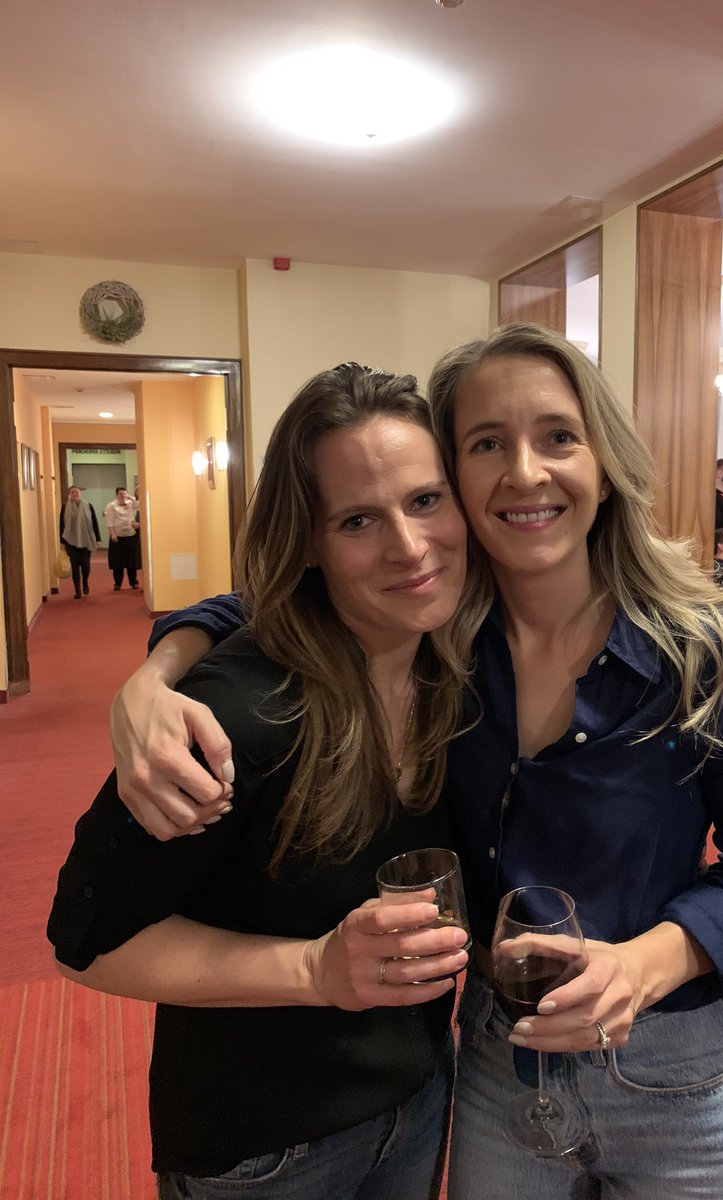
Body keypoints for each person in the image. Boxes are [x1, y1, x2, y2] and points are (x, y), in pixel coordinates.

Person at [107, 325, 723, 1199]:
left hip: (675, 1062)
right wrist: (155, 673)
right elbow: (282, 593)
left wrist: (645, 965)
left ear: (604, 462)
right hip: (494, 1056)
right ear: (454, 479)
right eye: (486, 444)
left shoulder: (716, 654)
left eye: (559, 436)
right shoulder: (437, 636)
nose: (525, 471)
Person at [48, 364, 474, 1199]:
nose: (409, 545)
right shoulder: (235, 716)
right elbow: (85, 945)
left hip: (421, 1097)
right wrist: (314, 970)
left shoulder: (455, 671)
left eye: (426, 500)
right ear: (310, 542)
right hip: (266, 1146)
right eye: (357, 520)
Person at [59, 485, 101, 599]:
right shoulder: (65, 507)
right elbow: (62, 525)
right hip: (70, 541)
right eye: (72, 492)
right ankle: (77, 590)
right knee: (74, 567)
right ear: (69, 494)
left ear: (80, 493)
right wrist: (62, 541)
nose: (74, 494)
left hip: (85, 539)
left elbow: (94, 522)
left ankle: (85, 582)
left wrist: (98, 539)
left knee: (85, 565)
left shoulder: (88, 505)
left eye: (76, 492)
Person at [105, 486, 140, 590]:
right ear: (116, 495)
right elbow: (109, 521)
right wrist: (112, 534)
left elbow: (139, 503)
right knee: (117, 562)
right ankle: (117, 583)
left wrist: (130, 497)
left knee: (132, 561)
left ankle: (133, 582)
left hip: (130, 535)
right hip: (118, 536)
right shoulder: (111, 505)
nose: (123, 496)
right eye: (121, 494)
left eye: (125, 493)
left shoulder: (131, 503)